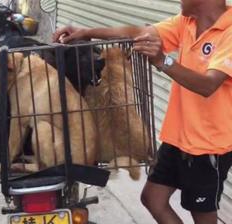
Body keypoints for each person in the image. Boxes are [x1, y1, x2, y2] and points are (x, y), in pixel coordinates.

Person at [53, 0, 232, 223]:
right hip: (179, 138)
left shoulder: (229, 32)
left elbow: (208, 85)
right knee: (152, 198)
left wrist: (162, 61)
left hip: (208, 146)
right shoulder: (186, 22)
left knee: (202, 215)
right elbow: (137, 33)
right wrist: (87, 31)